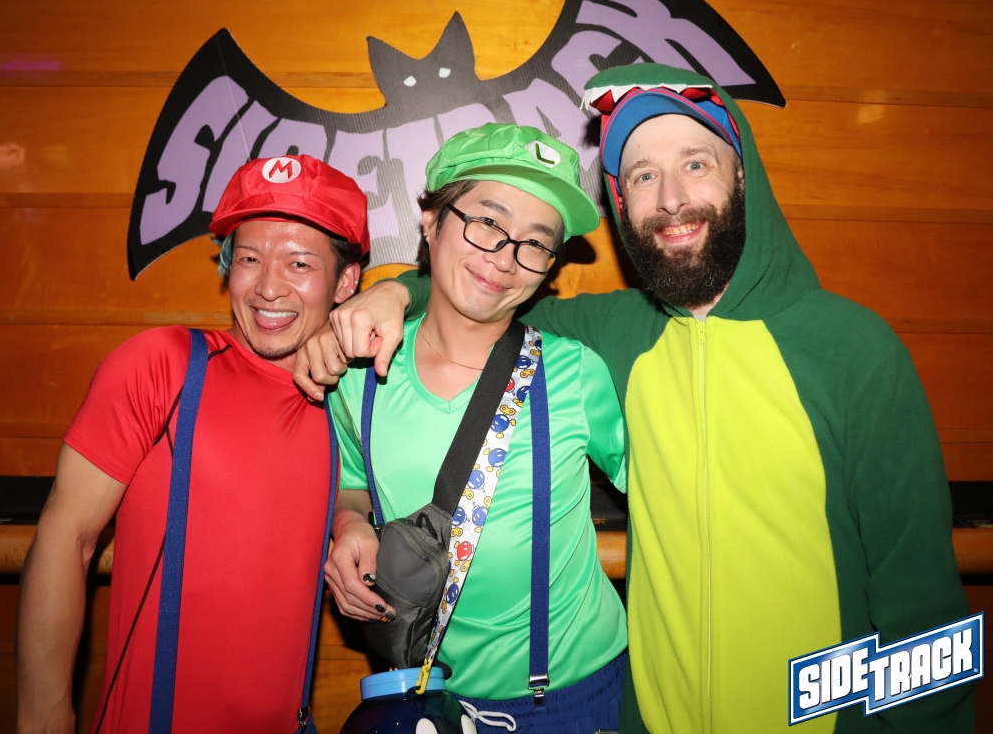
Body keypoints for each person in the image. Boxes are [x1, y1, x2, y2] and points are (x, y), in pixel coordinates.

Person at [296, 65, 973, 732]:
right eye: (644, 175)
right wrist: (394, 293)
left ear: (742, 175)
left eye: (695, 164)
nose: (671, 197)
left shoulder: (855, 350)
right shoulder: (615, 335)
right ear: (622, 203)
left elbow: (924, 609)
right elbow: (480, 299)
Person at [16, 154, 368, 734]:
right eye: (249, 259)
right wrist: (44, 718)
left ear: (346, 282)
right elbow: (65, 537)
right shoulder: (162, 366)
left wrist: (395, 296)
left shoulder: (353, 398)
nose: (269, 286)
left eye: (300, 263)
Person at [322, 123, 629, 732]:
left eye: (535, 243)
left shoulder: (575, 375)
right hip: (426, 698)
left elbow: (663, 497)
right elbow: (351, 482)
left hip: (574, 696)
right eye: (488, 222)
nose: (505, 258)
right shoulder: (358, 377)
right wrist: (349, 522)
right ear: (430, 221)